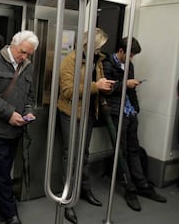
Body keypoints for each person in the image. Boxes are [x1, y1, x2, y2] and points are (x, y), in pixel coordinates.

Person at [0, 30, 39, 224]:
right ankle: (11, 214)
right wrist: (9, 113)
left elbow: (30, 95)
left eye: (28, 54)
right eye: (22, 52)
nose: (24, 57)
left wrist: (28, 111)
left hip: (17, 129)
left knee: (0, 171)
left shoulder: (27, 66)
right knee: (2, 174)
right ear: (13, 44)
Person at [102, 37, 166, 211]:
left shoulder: (129, 66)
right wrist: (126, 84)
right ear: (121, 51)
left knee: (134, 149)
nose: (131, 59)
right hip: (116, 112)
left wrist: (136, 108)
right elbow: (106, 88)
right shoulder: (106, 63)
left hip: (130, 112)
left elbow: (131, 90)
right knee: (121, 152)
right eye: (130, 55)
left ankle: (141, 184)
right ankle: (129, 187)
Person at [57, 28, 115, 224]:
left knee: (84, 154)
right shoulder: (70, 61)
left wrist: (105, 86)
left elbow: (96, 84)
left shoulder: (96, 60)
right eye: (98, 47)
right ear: (88, 45)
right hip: (72, 113)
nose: (100, 51)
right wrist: (95, 86)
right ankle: (67, 200)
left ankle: (84, 189)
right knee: (71, 155)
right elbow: (67, 91)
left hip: (90, 112)